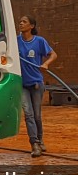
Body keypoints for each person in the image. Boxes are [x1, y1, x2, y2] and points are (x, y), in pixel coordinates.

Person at [17, 15, 57, 157]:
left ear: (32, 26)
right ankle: (34, 144)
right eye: (20, 21)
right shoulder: (16, 41)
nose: (21, 23)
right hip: (22, 84)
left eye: (24, 22)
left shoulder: (39, 41)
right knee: (28, 114)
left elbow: (53, 54)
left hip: (36, 84)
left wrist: (46, 63)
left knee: (37, 115)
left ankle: (40, 140)